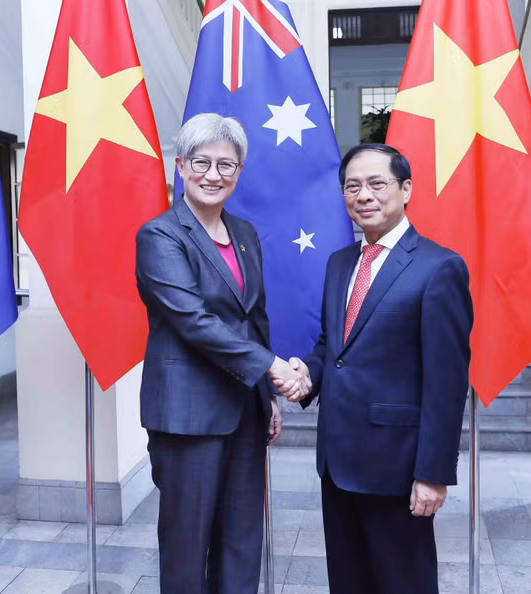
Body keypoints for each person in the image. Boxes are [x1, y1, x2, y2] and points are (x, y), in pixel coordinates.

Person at [135, 113, 310, 594]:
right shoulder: (160, 236)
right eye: (201, 162)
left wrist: (267, 396)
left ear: (239, 172)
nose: (213, 175)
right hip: (187, 417)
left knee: (241, 540)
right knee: (187, 546)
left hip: (244, 413)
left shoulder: (245, 233)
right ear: (180, 166)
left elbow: (255, 318)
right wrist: (272, 366)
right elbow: (193, 320)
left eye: (226, 165)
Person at [290, 144, 473, 593]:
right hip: (337, 464)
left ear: (405, 189)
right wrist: (307, 373)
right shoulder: (340, 263)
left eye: (376, 183)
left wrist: (432, 473)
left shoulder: (439, 267)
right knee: (348, 583)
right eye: (352, 186)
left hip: (397, 469)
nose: (364, 195)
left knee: (402, 583)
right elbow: (333, 347)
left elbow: (447, 384)